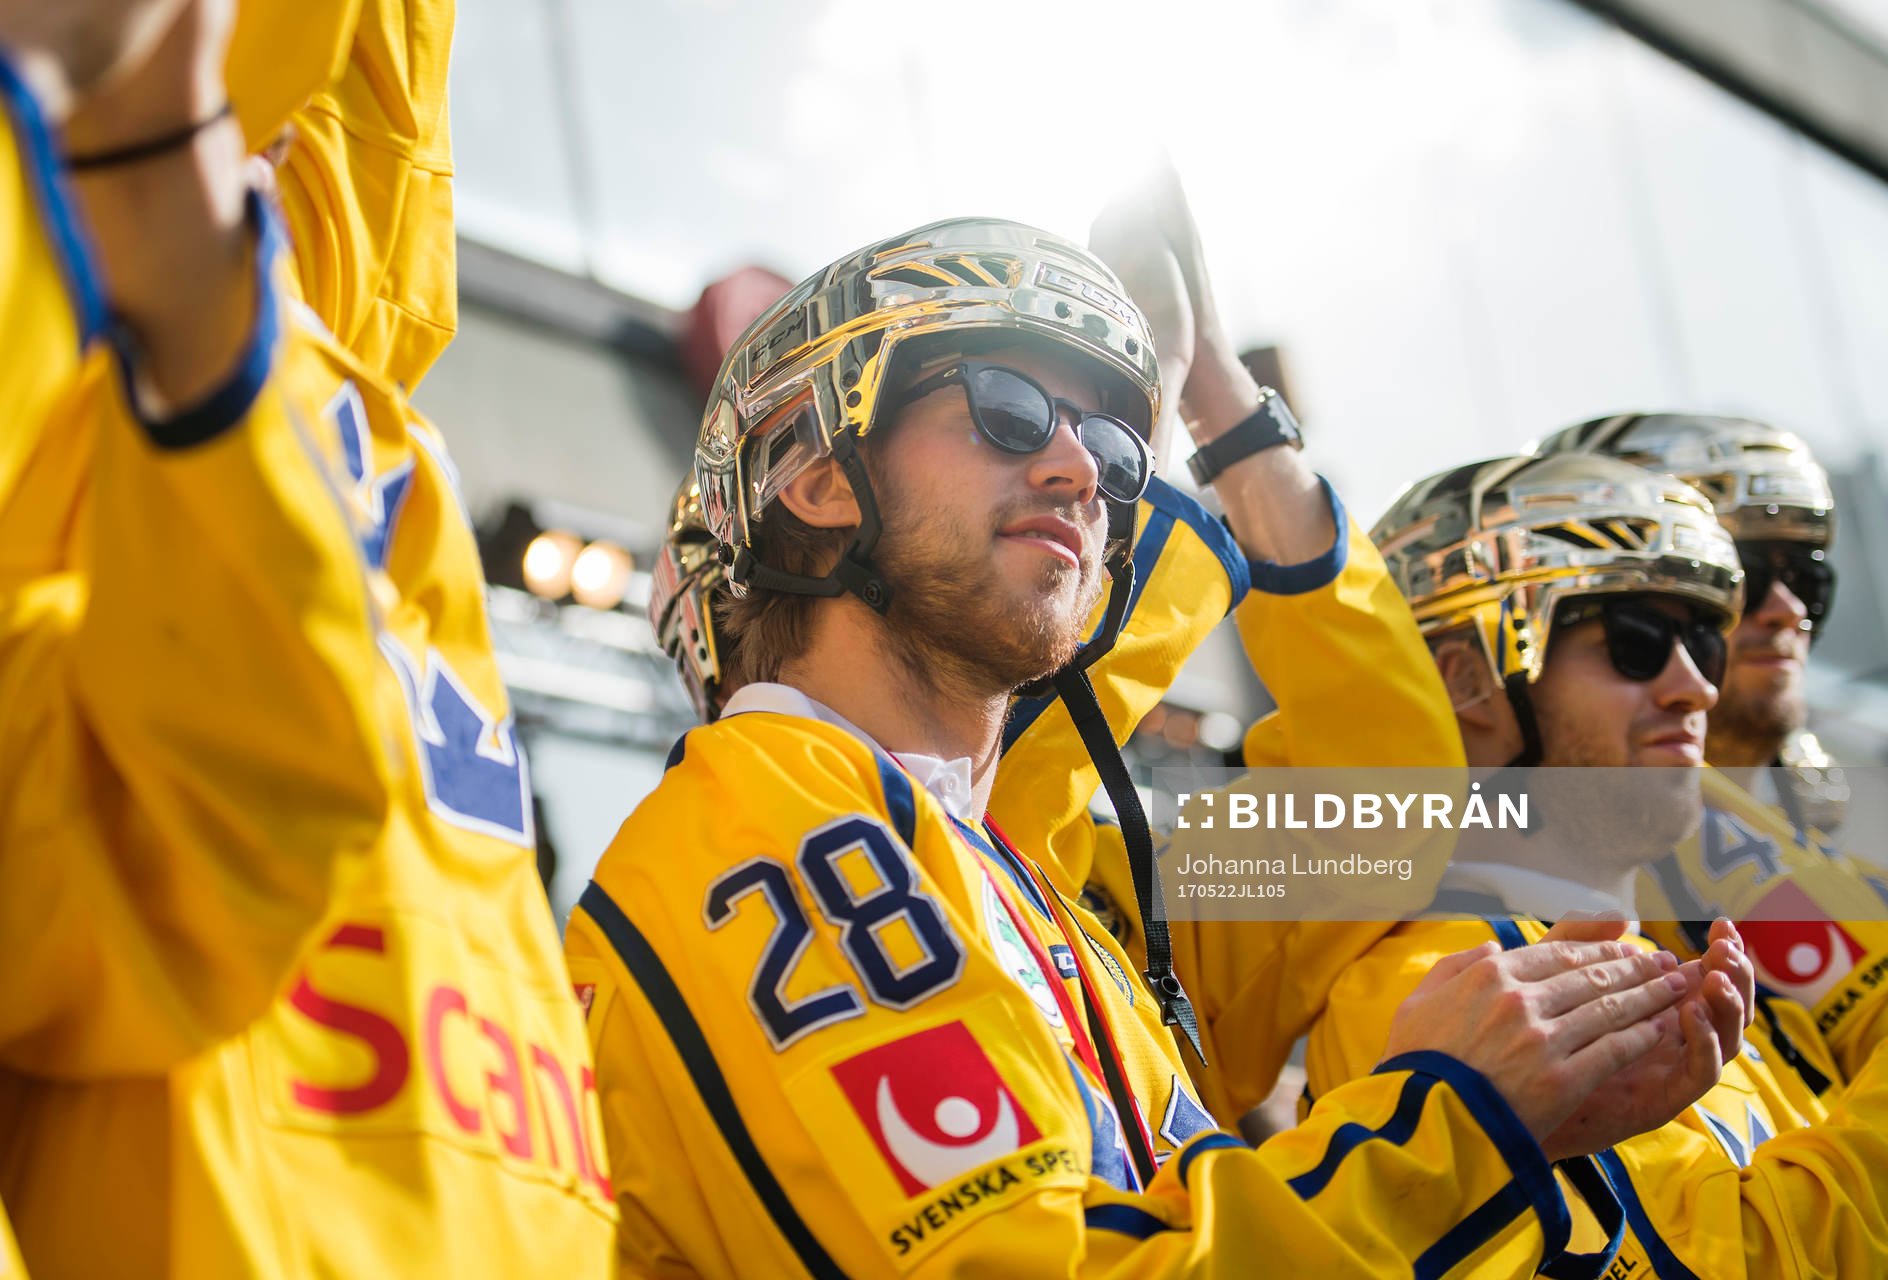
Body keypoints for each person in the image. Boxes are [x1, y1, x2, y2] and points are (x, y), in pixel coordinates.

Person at [572, 217, 1741, 1278]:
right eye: (1006, 407)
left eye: (1117, 448)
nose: (1085, 469)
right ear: (822, 477)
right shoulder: (759, 831)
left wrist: (1221, 399)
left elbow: (1386, 803)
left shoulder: (1040, 894)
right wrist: (1454, 1117)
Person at [0, 0, 615, 1272]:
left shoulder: (353, 420)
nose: (1059, 468)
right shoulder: (151, 352)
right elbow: (223, 817)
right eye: (999, 407)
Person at [1305, 449, 1888, 1277]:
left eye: (1704, 641)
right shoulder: (1444, 987)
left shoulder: (1682, 966)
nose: (1696, 687)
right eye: (1637, 641)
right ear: (1465, 678)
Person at [1537, 414, 1888, 1080]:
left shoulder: (1822, 796)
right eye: (1741, 575)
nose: (1787, 608)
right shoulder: (1665, 818)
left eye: (1807, 576)